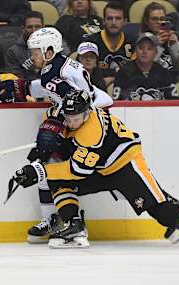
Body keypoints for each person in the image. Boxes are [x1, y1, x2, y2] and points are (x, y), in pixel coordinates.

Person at [9, 88, 179, 249]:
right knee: (59, 183)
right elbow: (54, 118)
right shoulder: (69, 113)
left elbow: (77, 170)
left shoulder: (91, 134)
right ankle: (74, 228)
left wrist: (38, 171)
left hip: (127, 167)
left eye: (76, 118)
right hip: (102, 167)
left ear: (87, 113)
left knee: (164, 214)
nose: (70, 121)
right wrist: (49, 130)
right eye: (67, 117)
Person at [23, 27, 113, 243]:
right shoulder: (55, 67)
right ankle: (53, 219)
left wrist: (57, 124)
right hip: (75, 125)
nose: (32, 56)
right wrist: (22, 88)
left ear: (49, 51)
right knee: (42, 166)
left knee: (61, 173)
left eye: (36, 52)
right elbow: (55, 94)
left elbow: (83, 104)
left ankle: (73, 223)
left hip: (86, 129)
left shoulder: (60, 72)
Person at [113, 32, 179, 101]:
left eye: (149, 49)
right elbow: (117, 103)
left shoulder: (163, 73)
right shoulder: (123, 72)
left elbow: (174, 101)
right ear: (135, 50)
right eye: (141, 48)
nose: (145, 52)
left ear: (156, 52)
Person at [87, 1, 135, 89]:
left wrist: (114, 78)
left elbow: (137, 73)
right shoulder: (91, 42)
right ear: (104, 21)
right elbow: (85, 74)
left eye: (118, 18)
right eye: (109, 18)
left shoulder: (133, 42)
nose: (113, 22)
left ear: (125, 21)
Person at [140, 2, 179, 75]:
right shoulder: (142, 40)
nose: (159, 22)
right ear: (146, 21)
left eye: (162, 19)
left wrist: (175, 46)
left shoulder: (169, 36)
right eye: (154, 19)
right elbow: (145, 70)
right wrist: (156, 45)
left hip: (174, 80)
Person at [5, 11, 45, 81]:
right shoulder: (13, 52)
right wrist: (33, 65)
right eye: (30, 27)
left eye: (37, 27)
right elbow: (17, 80)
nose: (34, 31)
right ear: (23, 29)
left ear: (43, 28)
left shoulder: (53, 46)